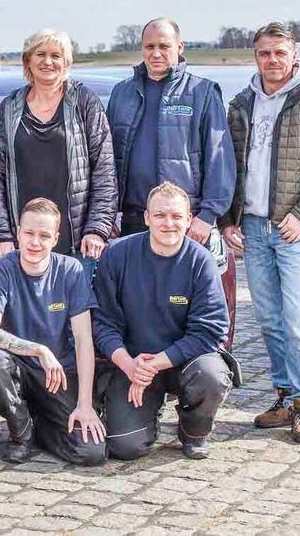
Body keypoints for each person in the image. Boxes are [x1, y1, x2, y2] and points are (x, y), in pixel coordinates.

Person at [220, 22, 300, 444]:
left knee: (296, 319)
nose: (271, 60)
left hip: (296, 229)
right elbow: (229, 167)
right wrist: (228, 219)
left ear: (294, 54)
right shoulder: (241, 104)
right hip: (252, 227)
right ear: (255, 56)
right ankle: (285, 396)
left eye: (279, 52)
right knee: (270, 319)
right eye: (263, 53)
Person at [94, 182, 233, 460]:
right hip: (132, 362)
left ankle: (193, 429)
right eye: (159, 215)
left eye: (176, 216)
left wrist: (154, 364)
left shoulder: (200, 261)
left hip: (183, 362)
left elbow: (211, 331)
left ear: (189, 220)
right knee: (125, 447)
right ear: (146, 218)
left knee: (211, 375)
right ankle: (146, 417)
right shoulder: (117, 255)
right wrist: (129, 365)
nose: (168, 223)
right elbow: (102, 322)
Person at [0, 198, 106, 466]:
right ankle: (20, 433)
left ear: (56, 238)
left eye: (44, 236)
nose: (35, 242)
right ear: (18, 231)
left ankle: (41, 427)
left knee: (91, 453)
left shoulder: (70, 270)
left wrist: (84, 404)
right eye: (29, 233)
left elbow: (83, 340)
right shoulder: (1, 269)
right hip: (18, 370)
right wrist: (38, 349)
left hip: (58, 374)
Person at [0, 29, 116, 277]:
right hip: (21, 245)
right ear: (28, 60)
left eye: (56, 55)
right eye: (41, 54)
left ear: (66, 62)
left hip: (78, 243)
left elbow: (104, 170)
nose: (48, 62)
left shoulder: (84, 102)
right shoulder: (9, 109)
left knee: (78, 315)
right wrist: (1, 234)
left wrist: (97, 229)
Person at [106, 17, 235, 243]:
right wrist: (106, 217)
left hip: (183, 222)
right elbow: (106, 161)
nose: (156, 53)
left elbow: (219, 158)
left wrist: (207, 215)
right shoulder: (121, 93)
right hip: (132, 221)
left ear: (180, 47)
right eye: (150, 47)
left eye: (164, 46)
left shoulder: (203, 92)